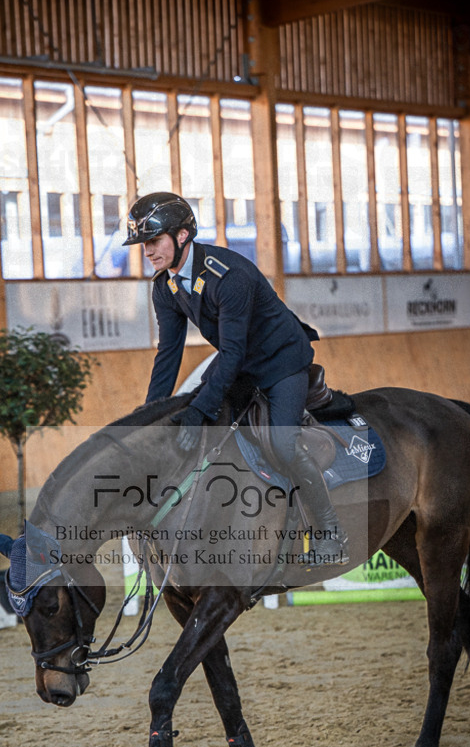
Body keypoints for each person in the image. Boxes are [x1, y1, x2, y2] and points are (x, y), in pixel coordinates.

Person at [123, 191, 347, 563]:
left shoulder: (228, 276)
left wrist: (201, 408)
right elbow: (168, 354)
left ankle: (329, 535)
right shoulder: (165, 285)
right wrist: (153, 413)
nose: (147, 251)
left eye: (153, 241)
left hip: (281, 361)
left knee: (282, 444)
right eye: (143, 244)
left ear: (182, 237)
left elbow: (232, 353)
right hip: (240, 361)